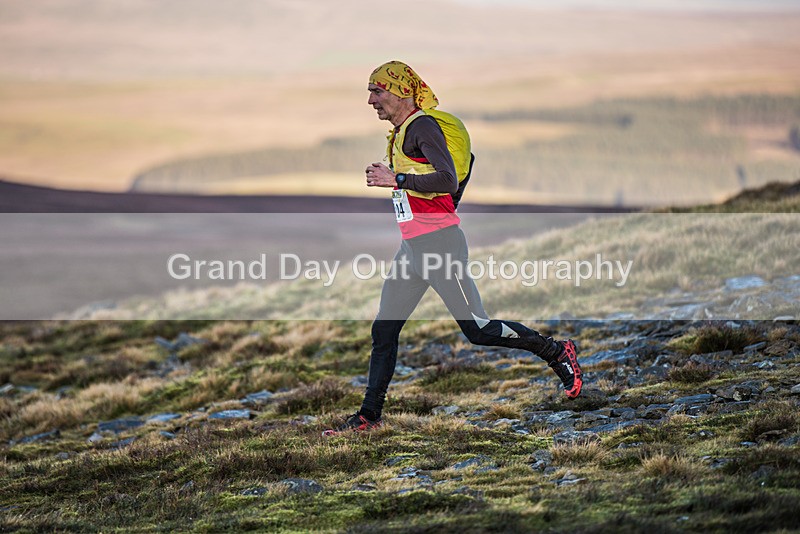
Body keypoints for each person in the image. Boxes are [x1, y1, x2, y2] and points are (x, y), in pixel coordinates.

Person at [323, 61, 582, 435]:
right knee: (384, 330)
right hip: (413, 250)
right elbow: (462, 171)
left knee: (477, 329)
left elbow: (447, 178)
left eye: (376, 91)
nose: (370, 101)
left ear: (399, 90)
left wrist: (394, 178)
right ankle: (369, 417)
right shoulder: (402, 133)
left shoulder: (422, 126)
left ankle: (557, 352)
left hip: (440, 247)